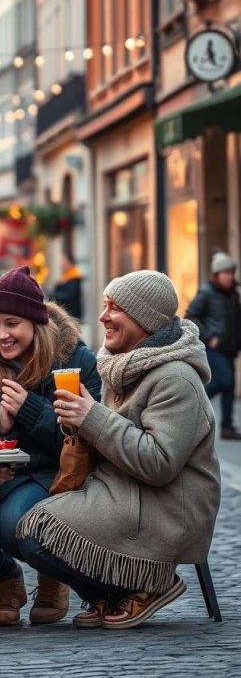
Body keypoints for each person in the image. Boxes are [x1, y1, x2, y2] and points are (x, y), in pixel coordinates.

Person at [18, 270, 221, 630]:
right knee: (24, 527)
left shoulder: (175, 378)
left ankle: (150, 584)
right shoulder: (122, 364)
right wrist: (79, 425)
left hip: (166, 503)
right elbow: (117, 437)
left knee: (38, 534)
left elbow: (159, 463)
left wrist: (92, 417)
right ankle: (111, 592)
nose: (102, 317)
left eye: (115, 308)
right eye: (105, 305)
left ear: (144, 320)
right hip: (122, 488)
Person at [0, 266, 101, 627]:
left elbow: (88, 439)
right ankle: (7, 581)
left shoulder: (74, 362)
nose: (1, 334)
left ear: (35, 321)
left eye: (11, 323)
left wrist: (30, 410)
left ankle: (53, 574)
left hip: (52, 475)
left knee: (12, 523)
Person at [186, 250, 241, 440]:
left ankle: (227, 427)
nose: (230, 276)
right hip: (214, 348)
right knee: (223, 381)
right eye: (226, 273)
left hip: (229, 348)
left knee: (229, 387)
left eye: (231, 272)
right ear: (216, 274)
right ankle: (192, 405)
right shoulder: (206, 292)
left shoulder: (232, 294)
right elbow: (191, 315)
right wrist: (209, 336)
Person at [51, 251, 83, 320]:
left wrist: (53, 295)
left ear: (70, 262)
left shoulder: (74, 277)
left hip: (72, 316)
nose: (61, 264)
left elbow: (68, 296)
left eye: (64, 262)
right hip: (67, 315)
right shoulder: (66, 276)